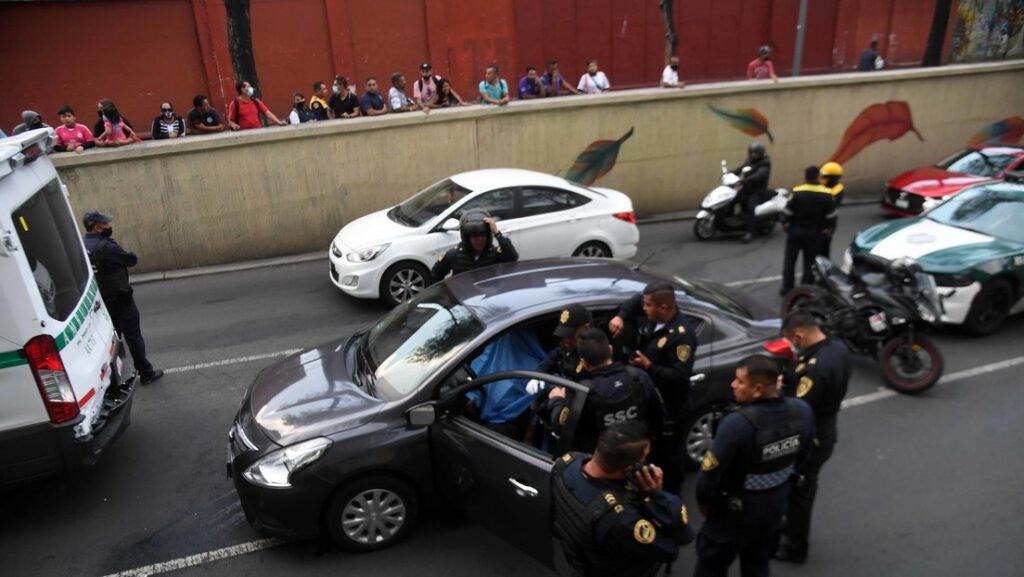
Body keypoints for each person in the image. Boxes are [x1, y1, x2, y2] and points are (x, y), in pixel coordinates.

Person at [694, 355, 814, 577]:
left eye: (739, 381)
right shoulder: (802, 411)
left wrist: (704, 500)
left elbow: (709, 474)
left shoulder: (737, 424)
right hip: (775, 503)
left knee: (711, 564)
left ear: (757, 390)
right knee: (757, 563)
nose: (733, 385)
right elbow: (805, 457)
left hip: (734, 511)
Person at [551, 421, 695, 577]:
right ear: (629, 468)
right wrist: (655, 496)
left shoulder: (568, 461)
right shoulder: (622, 518)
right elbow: (669, 550)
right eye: (645, 457)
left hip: (580, 561)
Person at [774, 312, 851, 564]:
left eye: (792, 341)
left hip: (812, 437)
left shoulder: (814, 370)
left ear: (800, 335)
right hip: (826, 427)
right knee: (800, 488)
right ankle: (792, 525)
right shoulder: (837, 348)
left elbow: (799, 409)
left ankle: (796, 548)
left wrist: (780, 392)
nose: (793, 346)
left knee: (800, 491)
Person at [608, 282, 698, 495]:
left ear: (664, 308)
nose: (643, 308)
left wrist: (649, 366)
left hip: (671, 408)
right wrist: (621, 315)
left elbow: (679, 376)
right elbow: (634, 302)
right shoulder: (653, 312)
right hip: (651, 402)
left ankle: (671, 496)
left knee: (670, 456)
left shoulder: (681, 336)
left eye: (648, 306)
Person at [546, 329, 664, 452]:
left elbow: (562, 427)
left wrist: (556, 400)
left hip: (601, 462)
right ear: (611, 350)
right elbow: (658, 418)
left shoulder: (582, 392)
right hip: (637, 455)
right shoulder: (639, 377)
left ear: (584, 363)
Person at [82, 211, 164, 385]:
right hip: (120, 300)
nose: (109, 226)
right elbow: (130, 260)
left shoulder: (82, 246)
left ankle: (112, 379)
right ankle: (146, 372)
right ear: (97, 227)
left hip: (102, 302)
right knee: (133, 336)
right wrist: (130, 254)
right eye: (106, 224)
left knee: (110, 341)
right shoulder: (107, 247)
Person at [780, 166, 836, 296]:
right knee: (810, 262)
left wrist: (785, 223)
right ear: (818, 177)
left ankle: (787, 287)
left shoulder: (796, 191)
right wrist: (829, 228)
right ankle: (806, 288)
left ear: (806, 177)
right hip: (814, 233)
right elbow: (831, 216)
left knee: (790, 260)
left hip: (795, 231)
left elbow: (787, 212)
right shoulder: (827, 193)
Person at [431, 209, 518, 283]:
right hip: (462, 298)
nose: (479, 240)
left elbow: (512, 257)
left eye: (482, 235)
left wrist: (497, 233)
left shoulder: (494, 253)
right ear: (467, 238)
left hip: (488, 298)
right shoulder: (454, 255)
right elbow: (435, 276)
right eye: (475, 236)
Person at [731, 141, 773, 243]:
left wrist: (747, 179)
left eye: (754, 153)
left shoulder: (765, 163)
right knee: (732, 199)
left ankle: (749, 232)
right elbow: (741, 168)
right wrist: (731, 173)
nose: (752, 155)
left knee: (751, 208)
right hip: (747, 188)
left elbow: (759, 175)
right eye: (751, 153)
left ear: (760, 152)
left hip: (757, 191)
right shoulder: (749, 160)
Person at [818, 161, 844, 259]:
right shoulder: (825, 188)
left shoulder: (836, 191)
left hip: (827, 225)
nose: (820, 179)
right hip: (821, 224)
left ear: (833, 179)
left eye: (824, 177)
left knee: (823, 249)